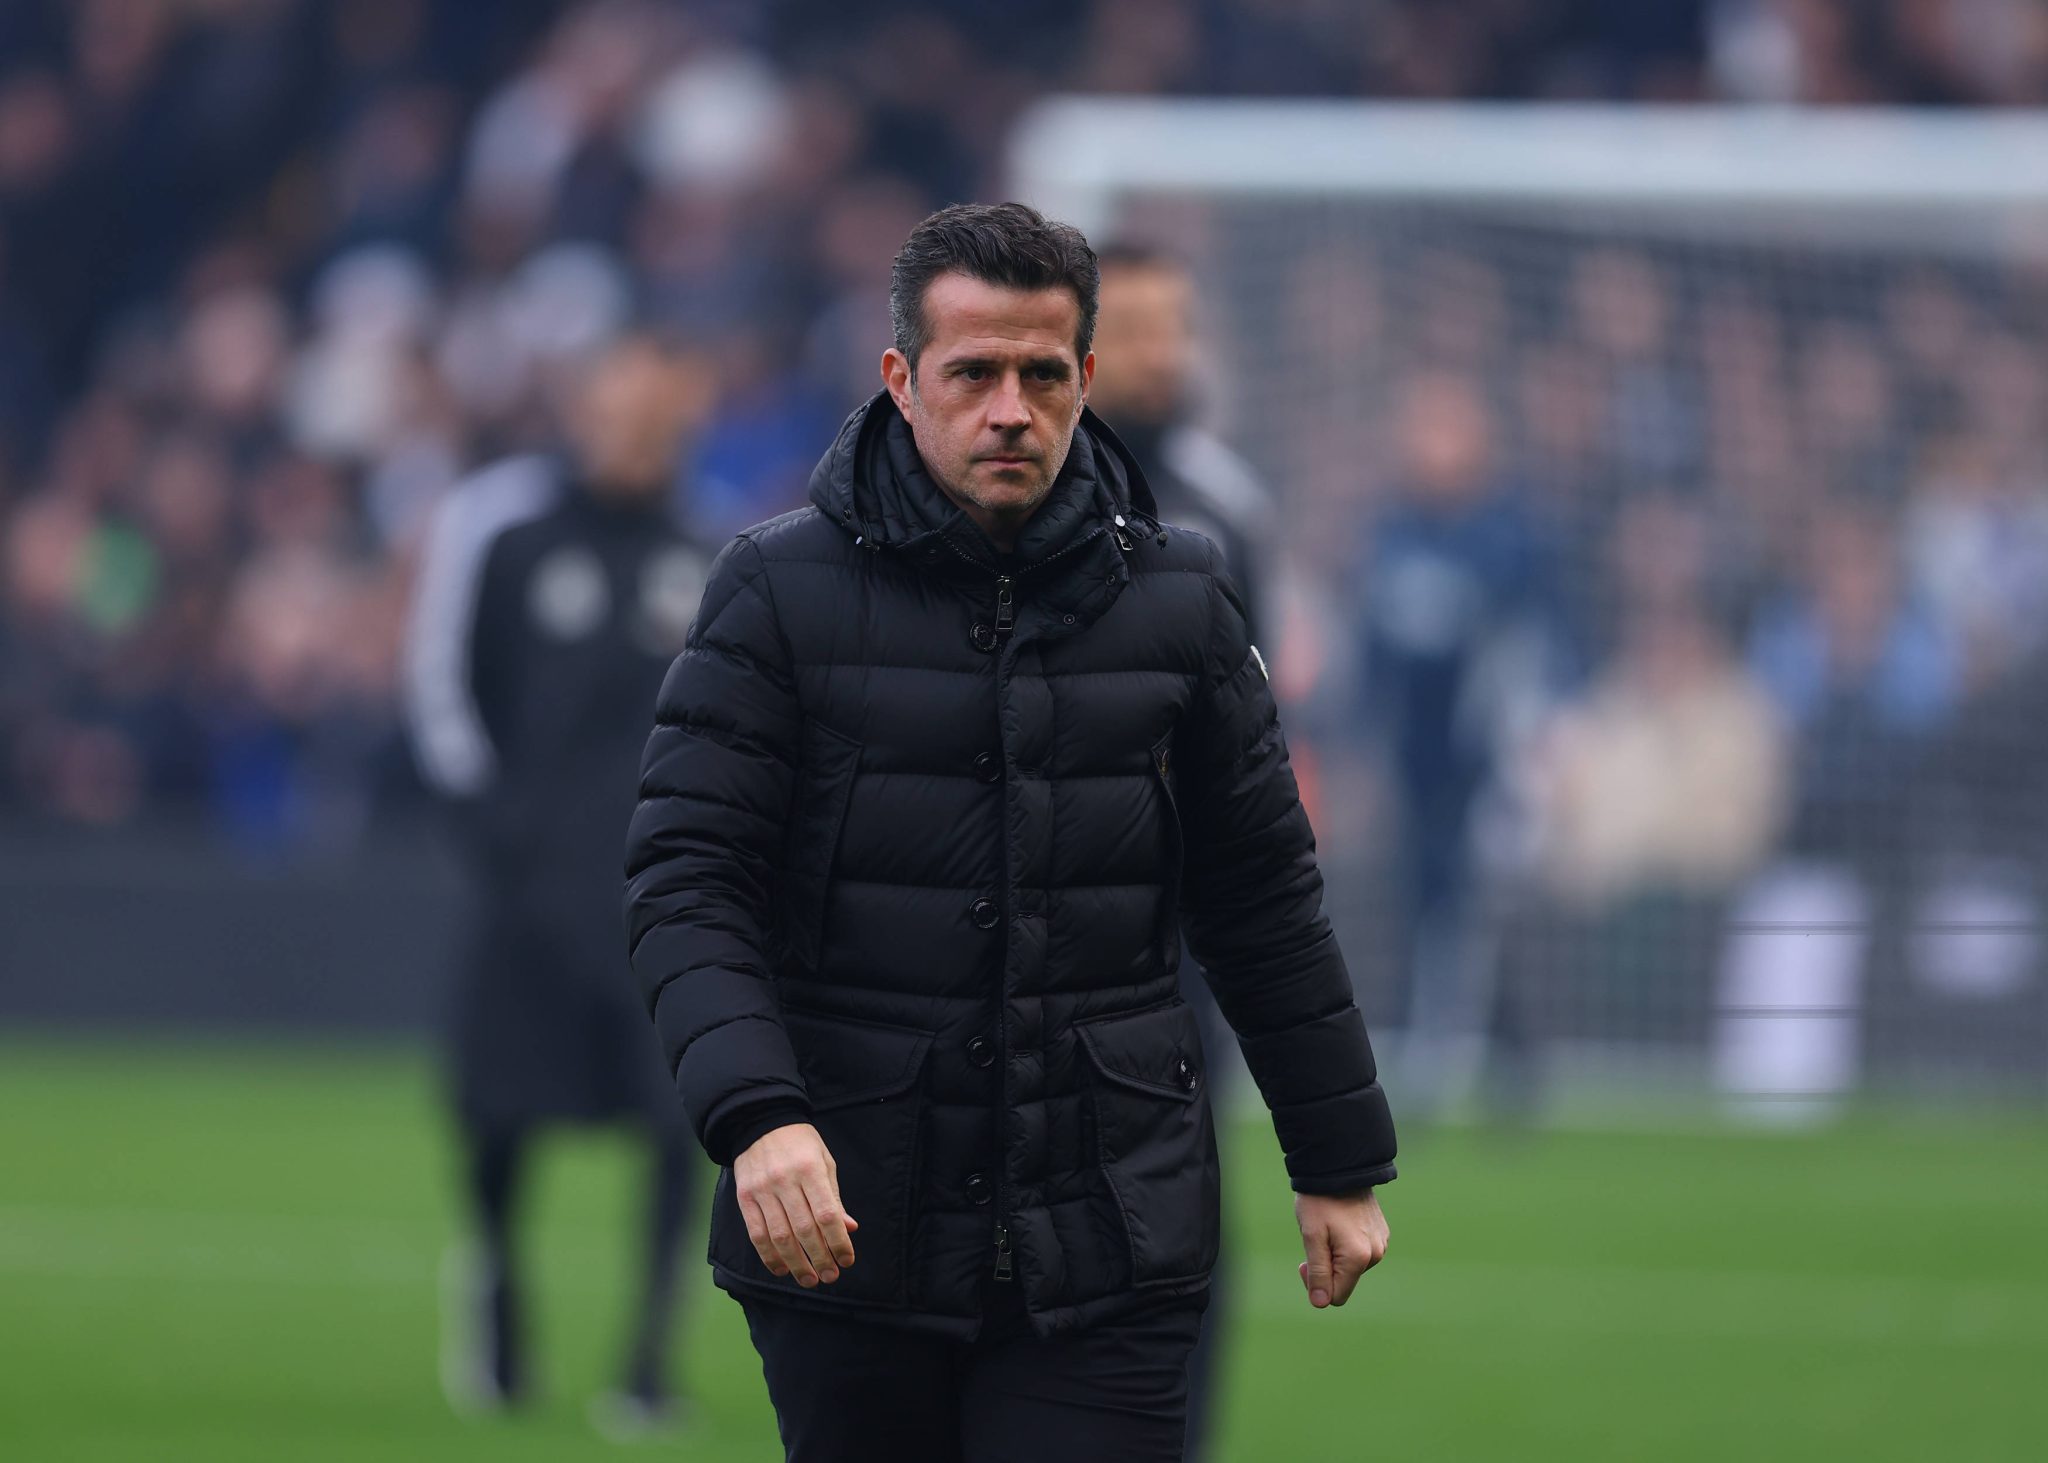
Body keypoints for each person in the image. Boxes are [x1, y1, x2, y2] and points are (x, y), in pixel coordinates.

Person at [623, 202, 1396, 1463]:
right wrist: (756, 1116)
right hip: (848, 1224)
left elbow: (1259, 889)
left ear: (1085, 381)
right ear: (900, 380)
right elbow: (686, 878)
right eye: (972, 373)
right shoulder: (772, 591)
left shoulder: (1182, 595)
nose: (1009, 409)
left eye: (1042, 375)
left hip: (1109, 1232)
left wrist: (1335, 1150)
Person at [403, 334, 715, 1431]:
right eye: (614, 406)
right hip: (532, 892)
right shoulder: (509, 534)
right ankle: (494, 1296)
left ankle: (644, 1360)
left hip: (668, 903)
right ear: (580, 410)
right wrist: (498, 834)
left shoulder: (711, 551)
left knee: (680, 1124)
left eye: (654, 409)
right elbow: (444, 688)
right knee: (497, 1118)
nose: (633, 428)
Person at [1087, 238, 1275, 1461]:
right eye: (1134, 333)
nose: (1161, 357)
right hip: (1022, 917)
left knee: (1184, 1211)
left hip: (1173, 939)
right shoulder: (1004, 489)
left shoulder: (1225, 511)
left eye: (1173, 328)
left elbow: (1252, 742)